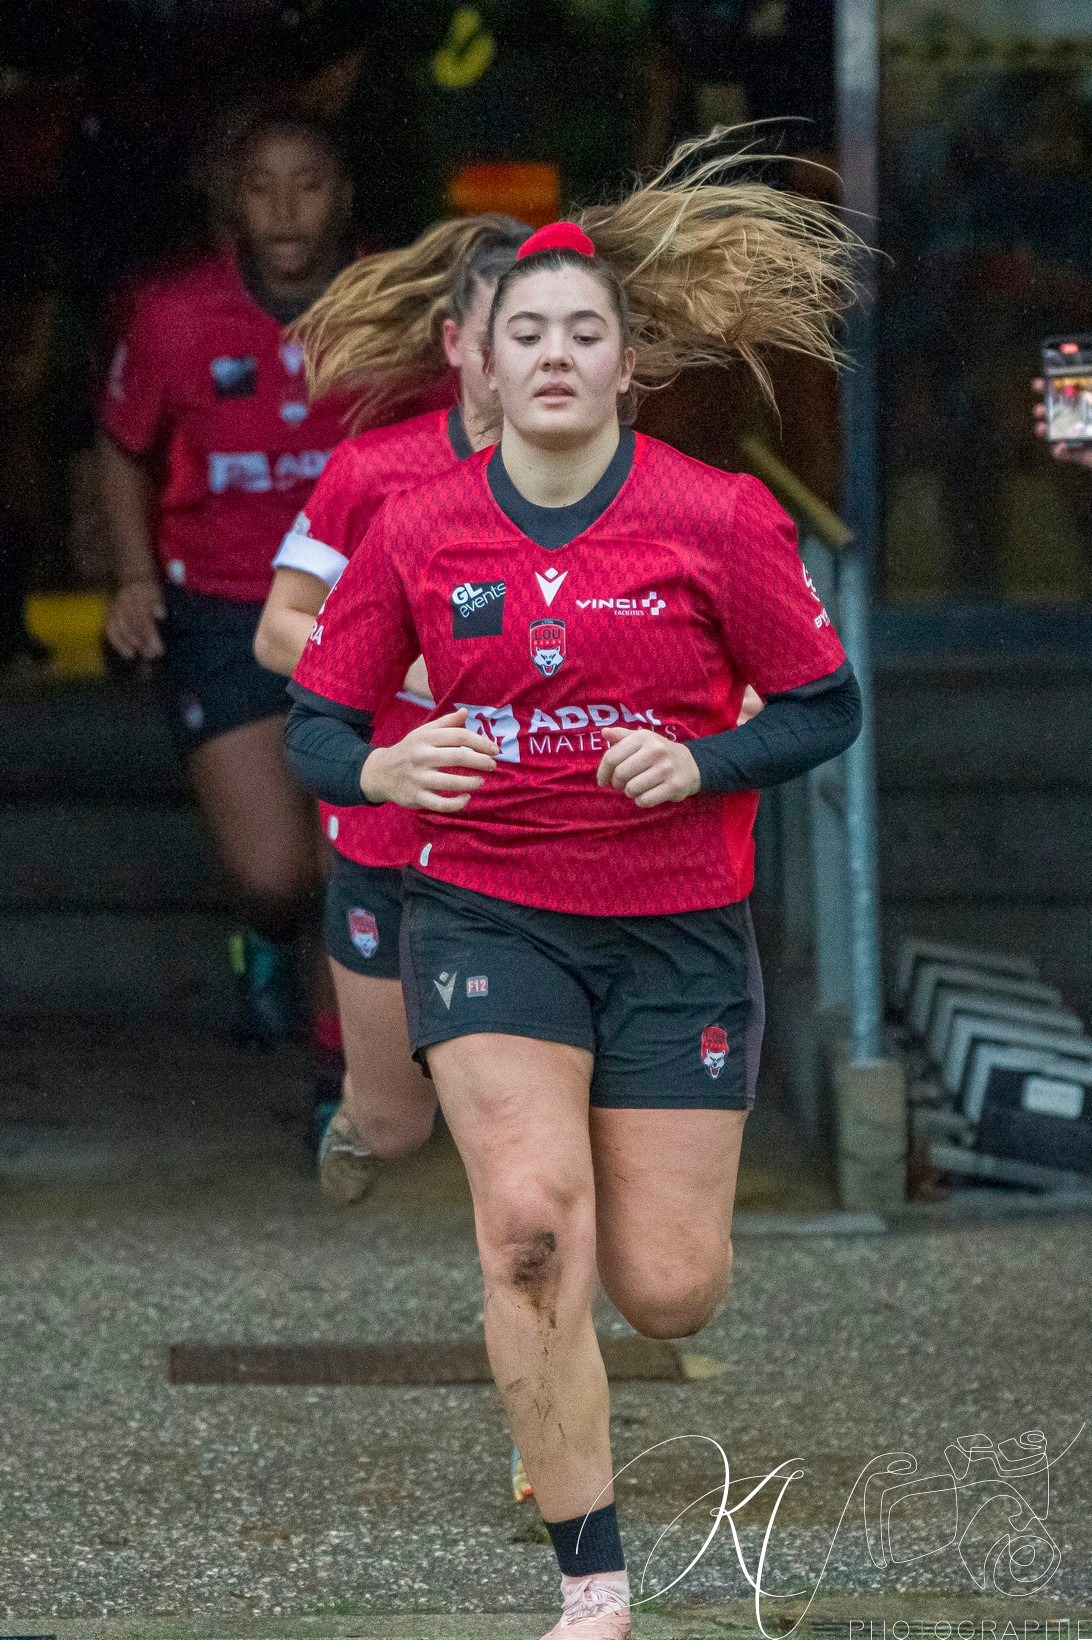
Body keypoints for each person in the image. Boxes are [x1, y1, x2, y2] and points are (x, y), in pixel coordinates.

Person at [286, 135, 863, 1637]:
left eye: (584, 333)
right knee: (532, 1228)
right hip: (487, 911)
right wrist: (382, 775)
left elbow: (824, 702)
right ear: (482, 358)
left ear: (631, 365)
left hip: (674, 929)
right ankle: (592, 1585)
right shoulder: (417, 523)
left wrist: (706, 766)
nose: (553, 355)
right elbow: (316, 722)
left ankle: (602, 1284)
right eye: (527, 332)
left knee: (667, 1290)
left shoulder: (718, 516)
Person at [97, 109, 401, 1061]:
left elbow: (465, 437)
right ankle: (264, 940)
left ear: (344, 192)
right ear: (231, 201)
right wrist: (136, 579)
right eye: (261, 183)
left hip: (368, 614)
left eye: (307, 180)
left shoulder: (393, 303)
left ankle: (335, 1086)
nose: (284, 205)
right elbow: (120, 444)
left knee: (347, 859)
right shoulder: (173, 313)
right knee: (275, 876)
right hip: (222, 609)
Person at [252, 214, 530, 1197]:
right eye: (506, 334)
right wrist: (411, 674)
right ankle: (366, 1122)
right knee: (398, 1122)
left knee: (524, 1126)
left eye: (555, 331)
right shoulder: (374, 472)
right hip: (389, 831)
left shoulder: (622, 481)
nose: (528, 358)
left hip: (546, 837)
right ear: (456, 344)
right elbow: (278, 627)